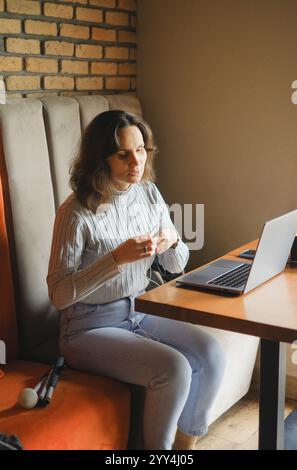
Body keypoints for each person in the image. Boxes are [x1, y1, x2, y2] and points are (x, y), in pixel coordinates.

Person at [47, 110, 226, 450]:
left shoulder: (147, 193)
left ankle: (183, 448)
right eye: (123, 154)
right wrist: (115, 259)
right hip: (86, 328)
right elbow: (58, 295)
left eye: (141, 149)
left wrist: (172, 241)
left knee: (211, 353)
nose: (136, 161)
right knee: (174, 370)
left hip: (139, 309)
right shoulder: (74, 212)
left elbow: (176, 263)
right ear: (101, 159)